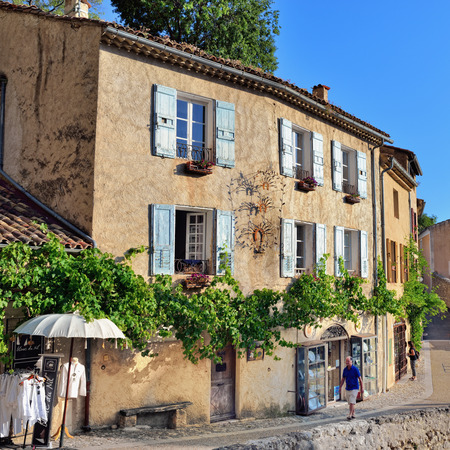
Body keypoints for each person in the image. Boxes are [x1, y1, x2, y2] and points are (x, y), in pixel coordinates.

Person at [339, 356, 363, 420]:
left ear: (351, 361)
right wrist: (340, 387)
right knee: (350, 402)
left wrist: (362, 388)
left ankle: (350, 414)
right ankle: (353, 413)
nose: (347, 363)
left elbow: (360, 379)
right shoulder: (345, 370)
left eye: (348, 361)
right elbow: (343, 379)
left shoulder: (355, 369)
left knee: (352, 401)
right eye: (346, 361)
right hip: (348, 388)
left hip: (355, 387)